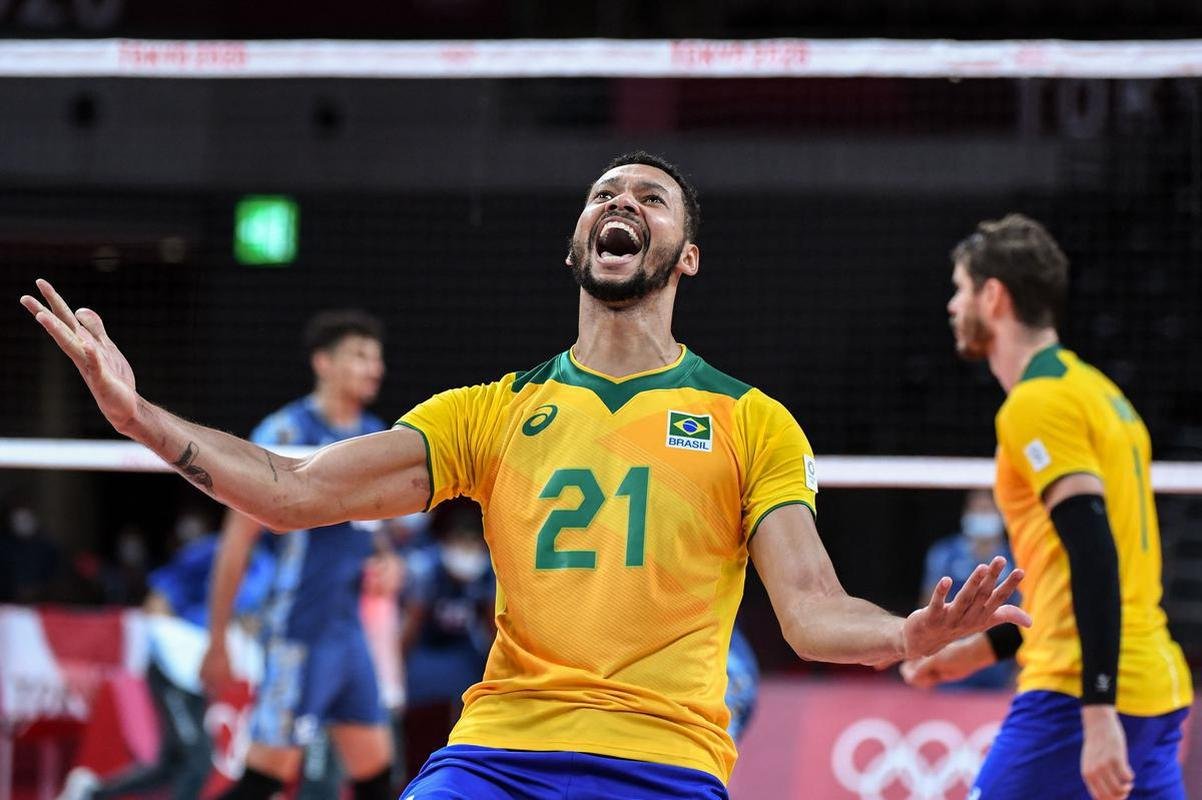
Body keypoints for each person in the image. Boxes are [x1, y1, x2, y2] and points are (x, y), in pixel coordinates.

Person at [21, 152, 1028, 800]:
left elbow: (808, 609)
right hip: (494, 752)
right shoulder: (490, 412)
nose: (618, 204)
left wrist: (902, 632)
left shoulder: (749, 419)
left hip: (657, 762)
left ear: (684, 257)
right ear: (576, 246)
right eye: (601, 196)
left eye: (647, 198)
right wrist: (136, 415)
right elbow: (290, 489)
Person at [902, 214, 1193, 800]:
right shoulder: (1101, 394)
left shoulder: (1037, 405)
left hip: (1074, 692)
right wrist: (976, 654)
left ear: (995, 295)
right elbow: (1067, 578)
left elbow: (1093, 553)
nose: (953, 307)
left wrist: (1097, 708)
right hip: (1156, 685)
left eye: (961, 289)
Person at [197, 310, 398, 800]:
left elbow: (375, 532)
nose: (374, 367)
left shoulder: (376, 436)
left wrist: (389, 561)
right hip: (298, 631)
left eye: (377, 357)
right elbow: (236, 542)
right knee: (266, 776)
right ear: (322, 363)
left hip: (348, 632)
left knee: (377, 774)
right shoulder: (284, 433)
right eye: (359, 355)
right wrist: (217, 637)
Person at [57, 517, 274, 800]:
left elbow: (250, 615)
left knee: (174, 761)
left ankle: (92, 792)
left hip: (200, 670)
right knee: (196, 758)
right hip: (172, 665)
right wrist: (169, 638)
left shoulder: (269, 563)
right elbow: (158, 597)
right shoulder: (209, 550)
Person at [399, 499, 495, 778]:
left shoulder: (487, 570)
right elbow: (410, 628)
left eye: (472, 541)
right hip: (426, 655)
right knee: (422, 734)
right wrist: (395, 679)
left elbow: (492, 628)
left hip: (463, 656)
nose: (466, 548)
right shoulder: (425, 568)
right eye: (459, 540)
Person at [918, 488, 1016, 690]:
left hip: (996, 659)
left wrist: (1017, 671)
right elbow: (926, 607)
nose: (983, 515)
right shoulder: (945, 553)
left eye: (988, 510)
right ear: (966, 514)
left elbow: (1026, 612)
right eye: (977, 510)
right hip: (952, 655)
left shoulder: (1015, 557)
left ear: (1000, 515)